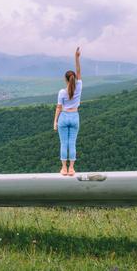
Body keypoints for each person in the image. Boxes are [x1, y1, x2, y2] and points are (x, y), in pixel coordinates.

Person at [53, 46, 82, 176]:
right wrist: (76, 58)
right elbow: (79, 71)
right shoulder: (79, 87)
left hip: (63, 117)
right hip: (75, 116)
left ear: (65, 79)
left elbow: (59, 107)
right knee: (72, 143)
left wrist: (55, 121)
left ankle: (64, 168)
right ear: (75, 79)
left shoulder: (62, 92)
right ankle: (72, 169)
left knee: (64, 143)